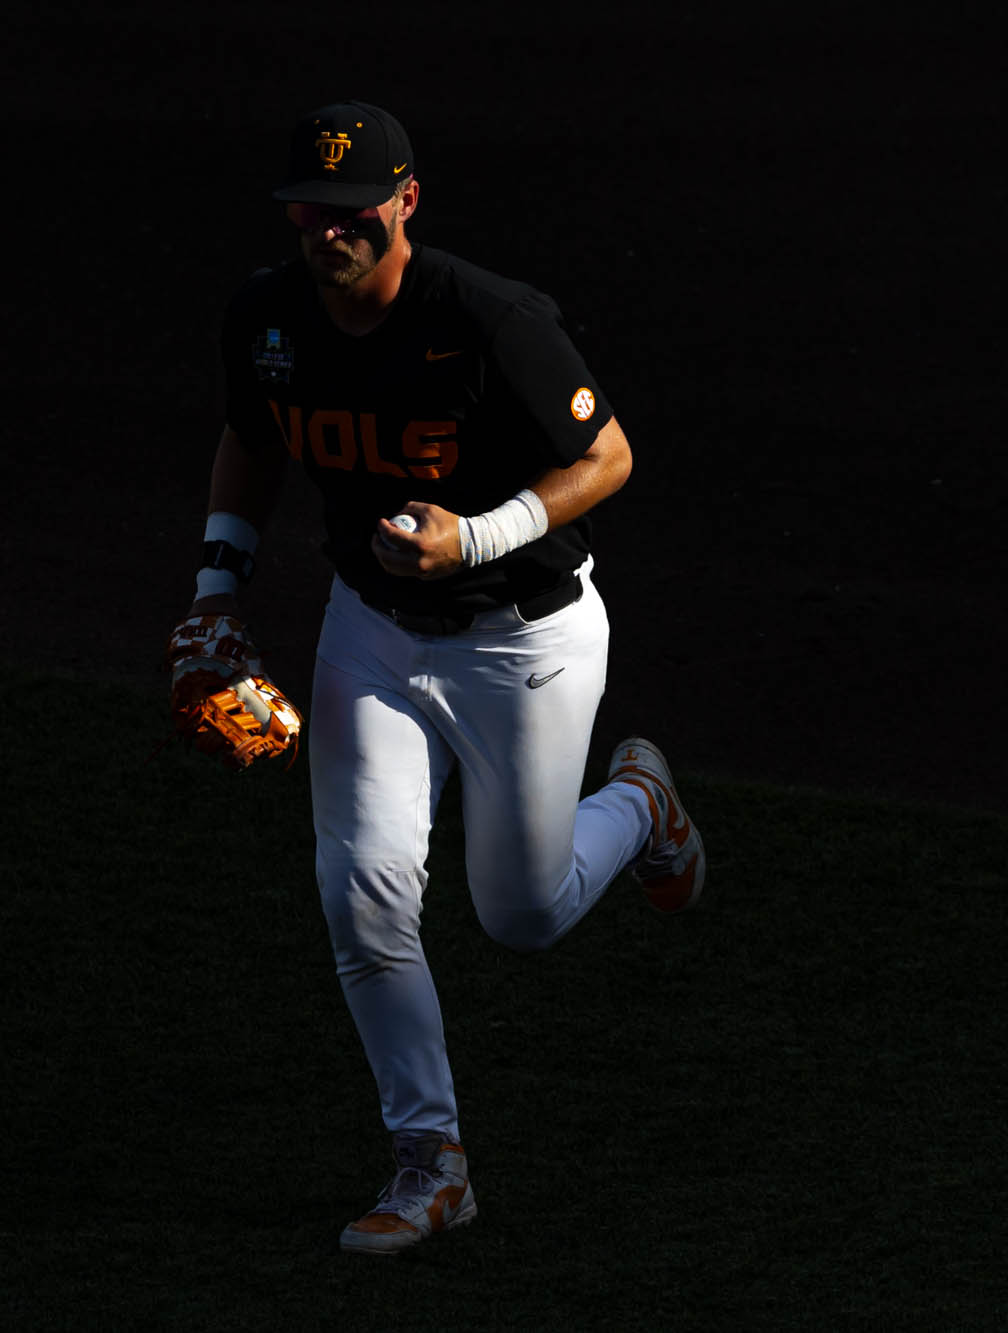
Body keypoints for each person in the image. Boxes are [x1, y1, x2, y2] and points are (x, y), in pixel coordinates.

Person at [174, 100, 706, 1254]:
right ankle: (432, 1160)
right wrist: (218, 587)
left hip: (524, 639)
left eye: (355, 211)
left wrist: (475, 536)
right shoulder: (267, 318)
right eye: (311, 212)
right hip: (368, 628)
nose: (330, 232)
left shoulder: (488, 319)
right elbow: (252, 437)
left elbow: (606, 454)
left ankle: (639, 802)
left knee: (521, 914)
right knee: (361, 893)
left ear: (405, 202)